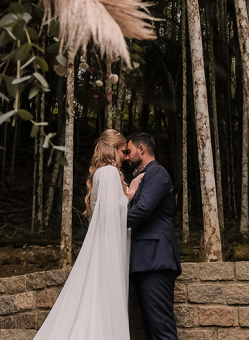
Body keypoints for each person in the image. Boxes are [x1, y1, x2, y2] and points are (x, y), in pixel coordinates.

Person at [33, 129, 134, 340]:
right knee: (102, 295)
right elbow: (110, 213)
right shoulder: (108, 173)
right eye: (123, 151)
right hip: (107, 246)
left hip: (102, 244)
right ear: (112, 149)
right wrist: (130, 195)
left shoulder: (101, 173)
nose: (125, 157)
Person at [123, 132, 181, 340]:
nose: (127, 156)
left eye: (129, 151)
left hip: (156, 259)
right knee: (150, 329)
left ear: (141, 149)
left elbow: (143, 209)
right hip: (143, 260)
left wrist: (112, 222)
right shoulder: (142, 176)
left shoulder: (157, 173)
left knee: (161, 327)